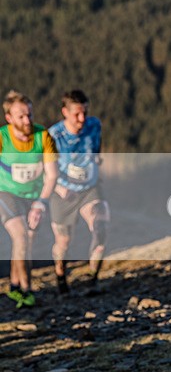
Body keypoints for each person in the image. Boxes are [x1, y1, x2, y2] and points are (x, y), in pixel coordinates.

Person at [48, 90, 109, 294]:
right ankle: (61, 278)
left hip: (89, 188)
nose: (82, 118)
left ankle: (92, 280)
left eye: (85, 112)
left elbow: (96, 149)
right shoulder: (54, 136)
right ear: (65, 112)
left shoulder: (94, 125)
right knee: (63, 241)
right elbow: (44, 168)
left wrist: (96, 165)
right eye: (76, 114)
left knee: (101, 228)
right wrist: (58, 187)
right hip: (63, 193)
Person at [1, 90, 58, 308]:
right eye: (21, 116)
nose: (27, 121)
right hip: (6, 193)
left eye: (30, 115)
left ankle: (14, 286)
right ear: (9, 118)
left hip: (34, 197)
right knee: (21, 236)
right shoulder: (2, 138)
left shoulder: (43, 136)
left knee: (26, 242)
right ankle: (27, 292)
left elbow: (52, 175)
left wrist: (41, 203)